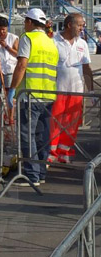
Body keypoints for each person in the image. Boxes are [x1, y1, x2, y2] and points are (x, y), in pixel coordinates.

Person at [10, 8, 59, 186]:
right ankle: (41, 173)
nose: (24, 25)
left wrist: (12, 89)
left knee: (27, 136)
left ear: (30, 22)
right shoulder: (51, 42)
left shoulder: (27, 38)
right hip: (48, 96)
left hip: (30, 95)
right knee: (43, 136)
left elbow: (22, 65)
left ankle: (31, 176)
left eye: (25, 21)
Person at [50, 14, 93, 164]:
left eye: (83, 26)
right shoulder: (54, 41)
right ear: (69, 25)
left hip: (76, 91)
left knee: (72, 122)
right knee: (55, 120)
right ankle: (51, 151)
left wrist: (91, 91)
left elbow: (87, 69)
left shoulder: (83, 44)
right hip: (57, 90)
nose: (82, 28)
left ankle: (65, 151)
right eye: (80, 25)